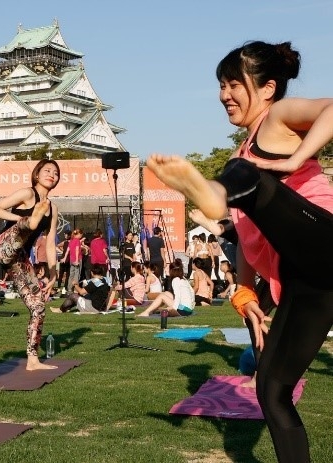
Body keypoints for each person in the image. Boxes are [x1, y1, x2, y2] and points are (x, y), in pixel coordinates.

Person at [147, 40, 333, 462]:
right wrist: (244, 291)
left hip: (324, 241)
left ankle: (212, 203)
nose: (223, 95)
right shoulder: (241, 157)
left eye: (233, 84)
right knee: (272, 388)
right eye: (220, 86)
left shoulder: (280, 117)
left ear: (267, 88)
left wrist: (294, 160)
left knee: (241, 176)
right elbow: (250, 236)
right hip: (308, 280)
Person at [0, 159, 60, 371]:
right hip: (3, 246)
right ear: (37, 174)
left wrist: (53, 274)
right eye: (47, 170)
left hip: (19, 259)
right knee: (28, 224)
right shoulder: (28, 193)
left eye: (56, 173)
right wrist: (21, 219)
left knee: (38, 307)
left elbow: (49, 244)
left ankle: (32, 360)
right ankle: (30, 221)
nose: (52, 174)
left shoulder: (53, 208)